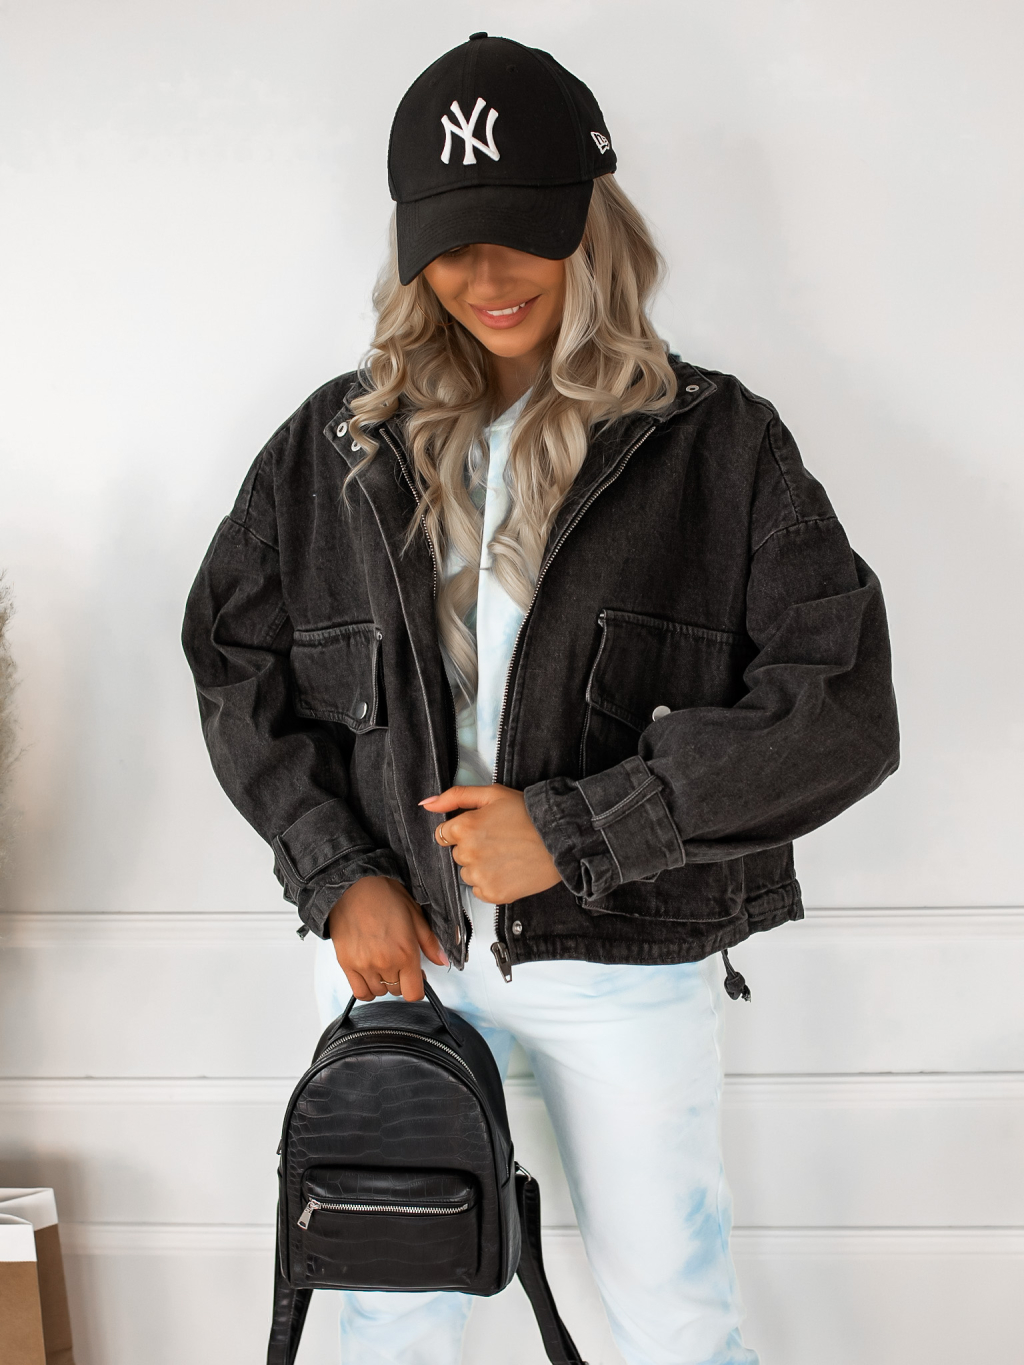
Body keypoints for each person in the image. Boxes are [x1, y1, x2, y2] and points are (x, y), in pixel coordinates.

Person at [182, 32, 898, 1365]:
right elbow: (234, 663)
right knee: (393, 1314)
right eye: (453, 244)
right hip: (408, 957)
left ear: (591, 221)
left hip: (624, 961)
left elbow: (842, 708)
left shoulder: (718, 444)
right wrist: (340, 875)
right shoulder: (335, 447)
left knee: (673, 1319)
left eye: (522, 231)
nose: (488, 275)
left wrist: (575, 830)